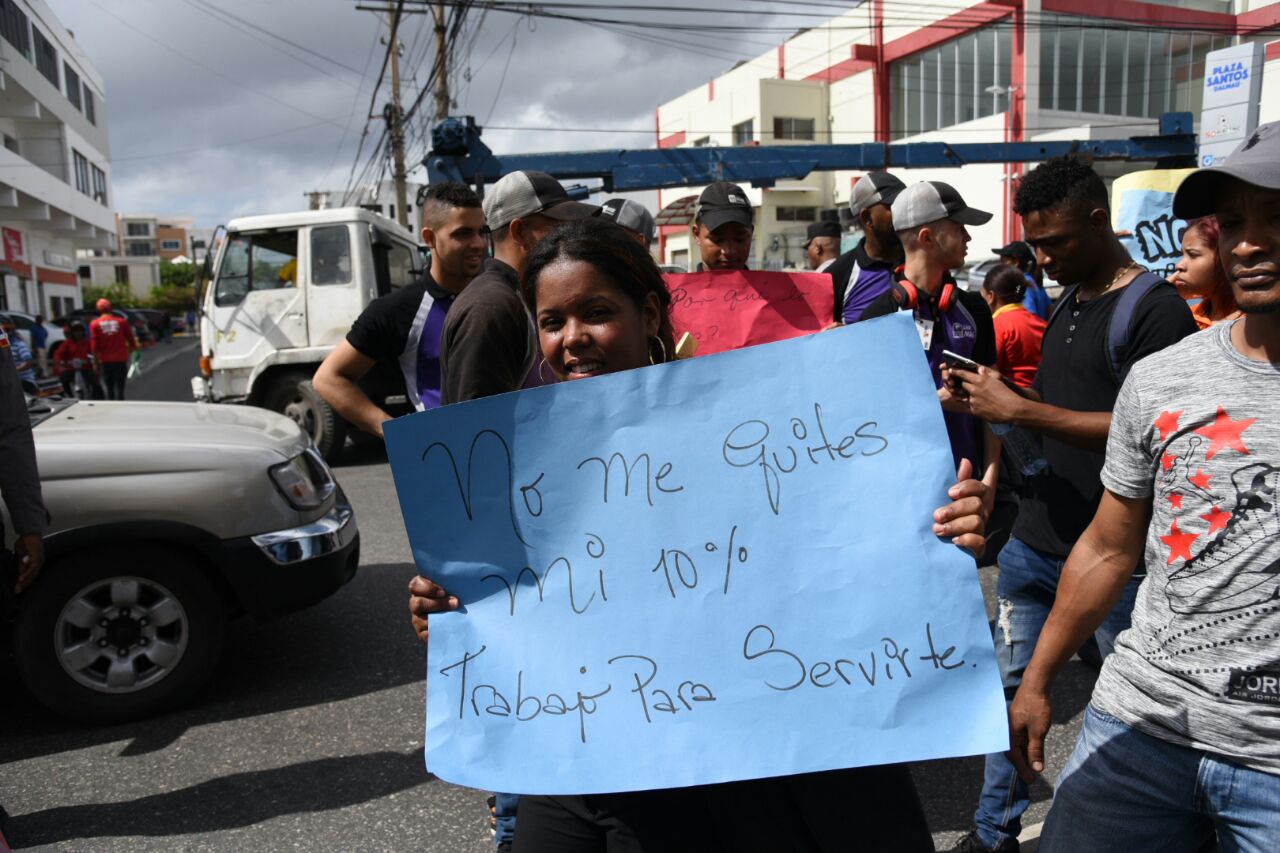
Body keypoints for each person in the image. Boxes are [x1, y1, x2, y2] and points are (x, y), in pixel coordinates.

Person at [410, 217, 992, 852]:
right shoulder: (511, 455)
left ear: (651, 313)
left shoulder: (751, 429)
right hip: (570, 757)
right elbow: (502, 602)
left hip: (716, 761)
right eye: (552, 322)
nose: (572, 339)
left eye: (596, 313)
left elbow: (857, 543)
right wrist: (450, 612)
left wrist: (944, 524)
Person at [1007, 120, 1280, 853]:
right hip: (1143, 724)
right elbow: (1108, 543)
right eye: (1234, 222)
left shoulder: (1146, 310)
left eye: (1276, 218)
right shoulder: (1166, 377)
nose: (1248, 243)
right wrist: (1037, 680)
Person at [945, 156, 1198, 853]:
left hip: (1114, 561)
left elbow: (1147, 427)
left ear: (1098, 220)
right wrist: (990, 400)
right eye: (1035, 245)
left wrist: (1026, 408)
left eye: (1055, 242)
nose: (1043, 257)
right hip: (1033, 543)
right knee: (1011, 699)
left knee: (1129, 719)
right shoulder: (1066, 300)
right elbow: (1055, 412)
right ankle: (993, 829)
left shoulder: (1156, 311)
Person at [859, 181, 1000, 507]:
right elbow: (866, 416)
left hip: (966, 481)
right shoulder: (875, 317)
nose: (968, 237)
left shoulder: (975, 309)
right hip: (897, 487)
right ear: (927, 238)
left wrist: (991, 477)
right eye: (959, 227)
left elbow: (997, 406)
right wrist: (937, 402)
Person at [313, 182, 486, 434]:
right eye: (463, 233)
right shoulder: (398, 310)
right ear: (429, 238)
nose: (478, 243)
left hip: (512, 454)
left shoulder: (499, 297)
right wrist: (394, 432)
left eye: (482, 231)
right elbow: (328, 379)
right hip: (444, 460)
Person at [440, 169, 597, 404]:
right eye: (557, 228)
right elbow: (477, 429)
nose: (568, 238)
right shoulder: (490, 307)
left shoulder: (521, 296)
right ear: (520, 232)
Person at [825, 171, 907, 324]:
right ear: (867, 218)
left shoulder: (923, 263)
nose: (904, 212)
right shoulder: (836, 275)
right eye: (894, 206)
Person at [981, 266, 1045, 389]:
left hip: (1010, 399)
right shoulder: (1042, 323)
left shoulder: (997, 326)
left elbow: (987, 372)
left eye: (982, 294)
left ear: (990, 296)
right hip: (1041, 399)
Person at [1171, 215, 1241, 329]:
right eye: (1183, 255)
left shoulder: (1257, 321)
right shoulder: (1188, 318)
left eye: (1193, 255)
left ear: (1225, 256)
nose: (1179, 265)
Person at [690, 181, 754, 271]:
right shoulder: (677, 285)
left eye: (739, 239)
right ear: (697, 234)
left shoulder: (772, 285)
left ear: (751, 233)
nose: (729, 251)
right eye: (718, 240)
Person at [89, 299, 138, 401]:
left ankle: (111, 405)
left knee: (109, 387)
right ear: (111, 308)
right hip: (120, 359)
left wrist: (95, 361)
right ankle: (121, 404)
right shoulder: (121, 322)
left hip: (105, 361)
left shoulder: (95, 324)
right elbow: (131, 340)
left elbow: (94, 344)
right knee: (120, 387)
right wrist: (134, 354)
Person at [993, 241, 1051, 320]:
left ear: (1016, 262)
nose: (1001, 266)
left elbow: (1028, 317)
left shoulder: (1023, 284)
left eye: (1004, 261)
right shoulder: (1032, 281)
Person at [52, 320, 103, 399]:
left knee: (96, 383)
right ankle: (69, 396)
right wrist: (60, 362)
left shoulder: (87, 343)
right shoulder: (67, 343)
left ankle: (98, 398)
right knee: (63, 380)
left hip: (85, 368)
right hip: (71, 368)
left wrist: (94, 360)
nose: (78, 333)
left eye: (80, 331)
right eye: (75, 331)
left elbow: (95, 353)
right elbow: (58, 354)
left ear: (83, 332)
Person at [0, 315, 38, 395]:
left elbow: (28, 362)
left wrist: (14, 370)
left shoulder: (19, 344)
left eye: (6, 330)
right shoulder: (4, 346)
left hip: (25, 382)